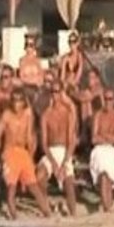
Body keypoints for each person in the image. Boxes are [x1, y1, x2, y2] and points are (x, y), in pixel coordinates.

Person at [0, 88, 51, 219]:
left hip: (23, 152)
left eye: (19, 100)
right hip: (9, 153)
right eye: (14, 100)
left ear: (23, 102)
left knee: (33, 186)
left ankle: (47, 212)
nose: (17, 103)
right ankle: (13, 214)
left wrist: (31, 157)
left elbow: (29, 138)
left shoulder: (28, 114)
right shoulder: (6, 115)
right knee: (12, 186)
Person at [37, 80, 78, 216]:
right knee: (40, 176)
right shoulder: (46, 115)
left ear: (61, 93)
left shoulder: (68, 113)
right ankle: (47, 207)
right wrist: (54, 164)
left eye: (57, 92)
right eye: (52, 92)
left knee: (69, 184)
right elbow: (44, 143)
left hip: (65, 151)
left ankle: (72, 212)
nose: (55, 95)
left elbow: (71, 141)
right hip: (50, 152)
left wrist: (64, 162)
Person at [90, 87, 114, 212]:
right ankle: (107, 207)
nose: (107, 102)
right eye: (105, 99)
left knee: (107, 176)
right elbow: (93, 139)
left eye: (110, 99)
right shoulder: (98, 115)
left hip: (111, 150)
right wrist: (109, 136)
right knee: (103, 175)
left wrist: (102, 135)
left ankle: (107, 206)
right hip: (99, 149)